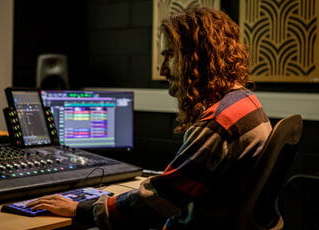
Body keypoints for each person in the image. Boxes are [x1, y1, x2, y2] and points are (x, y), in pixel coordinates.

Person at [26, 6, 272, 230]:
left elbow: (156, 203)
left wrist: (80, 208)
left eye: (170, 56)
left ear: (198, 57)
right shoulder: (245, 102)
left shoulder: (219, 124)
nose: (163, 70)